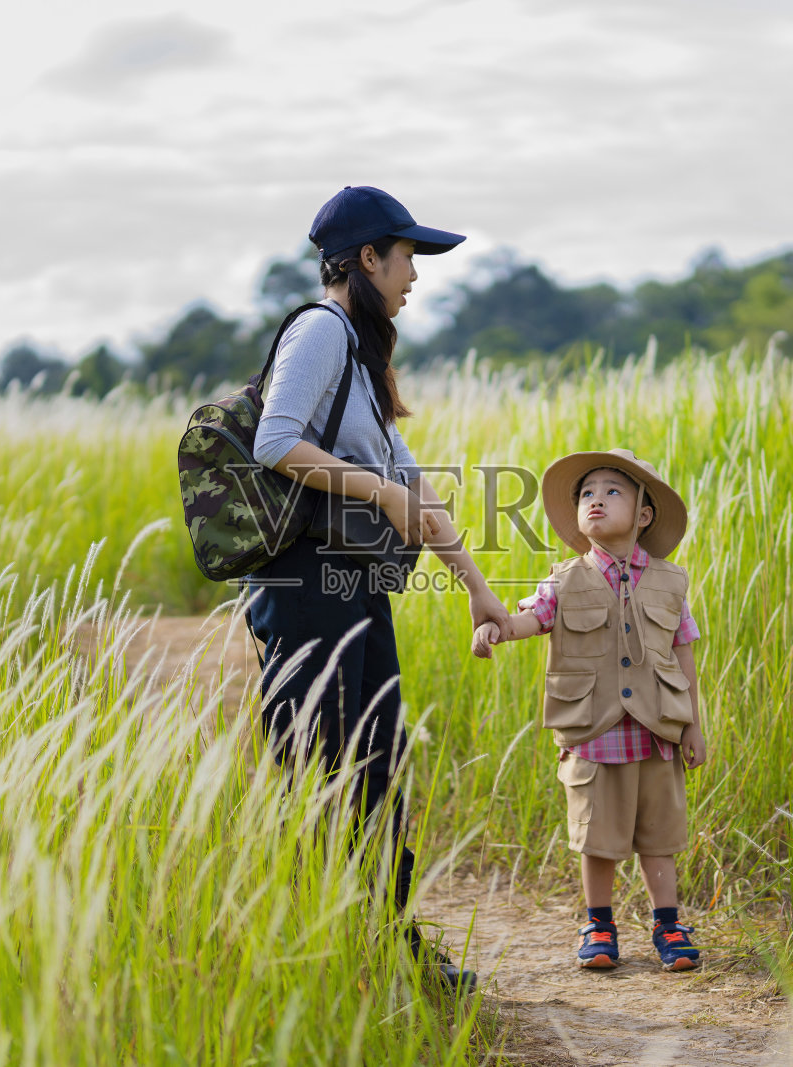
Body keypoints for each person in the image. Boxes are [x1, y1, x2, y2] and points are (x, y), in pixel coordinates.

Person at [245, 186, 510, 991]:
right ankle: (320, 955)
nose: (414, 276)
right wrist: (377, 491)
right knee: (318, 766)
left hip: (355, 585)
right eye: (406, 258)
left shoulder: (361, 357)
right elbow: (274, 441)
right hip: (304, 583)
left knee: (376, 762)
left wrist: (476, 586)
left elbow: (414, 482)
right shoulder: (321, 331)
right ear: (367, 258)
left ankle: (389, 944)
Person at [471, 448, 708, 971]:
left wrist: (694, 725)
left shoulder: (670, 582)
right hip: (593, 731)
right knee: (596, 836)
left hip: (658, 729)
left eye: (611, 491)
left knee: (659, 835)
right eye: (586, 494)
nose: (595, 500)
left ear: (644, 515)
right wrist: (498, 627)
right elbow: (532, 618)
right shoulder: (563, 580)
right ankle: (599, 924)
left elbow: (684, 653)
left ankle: (668, 924)